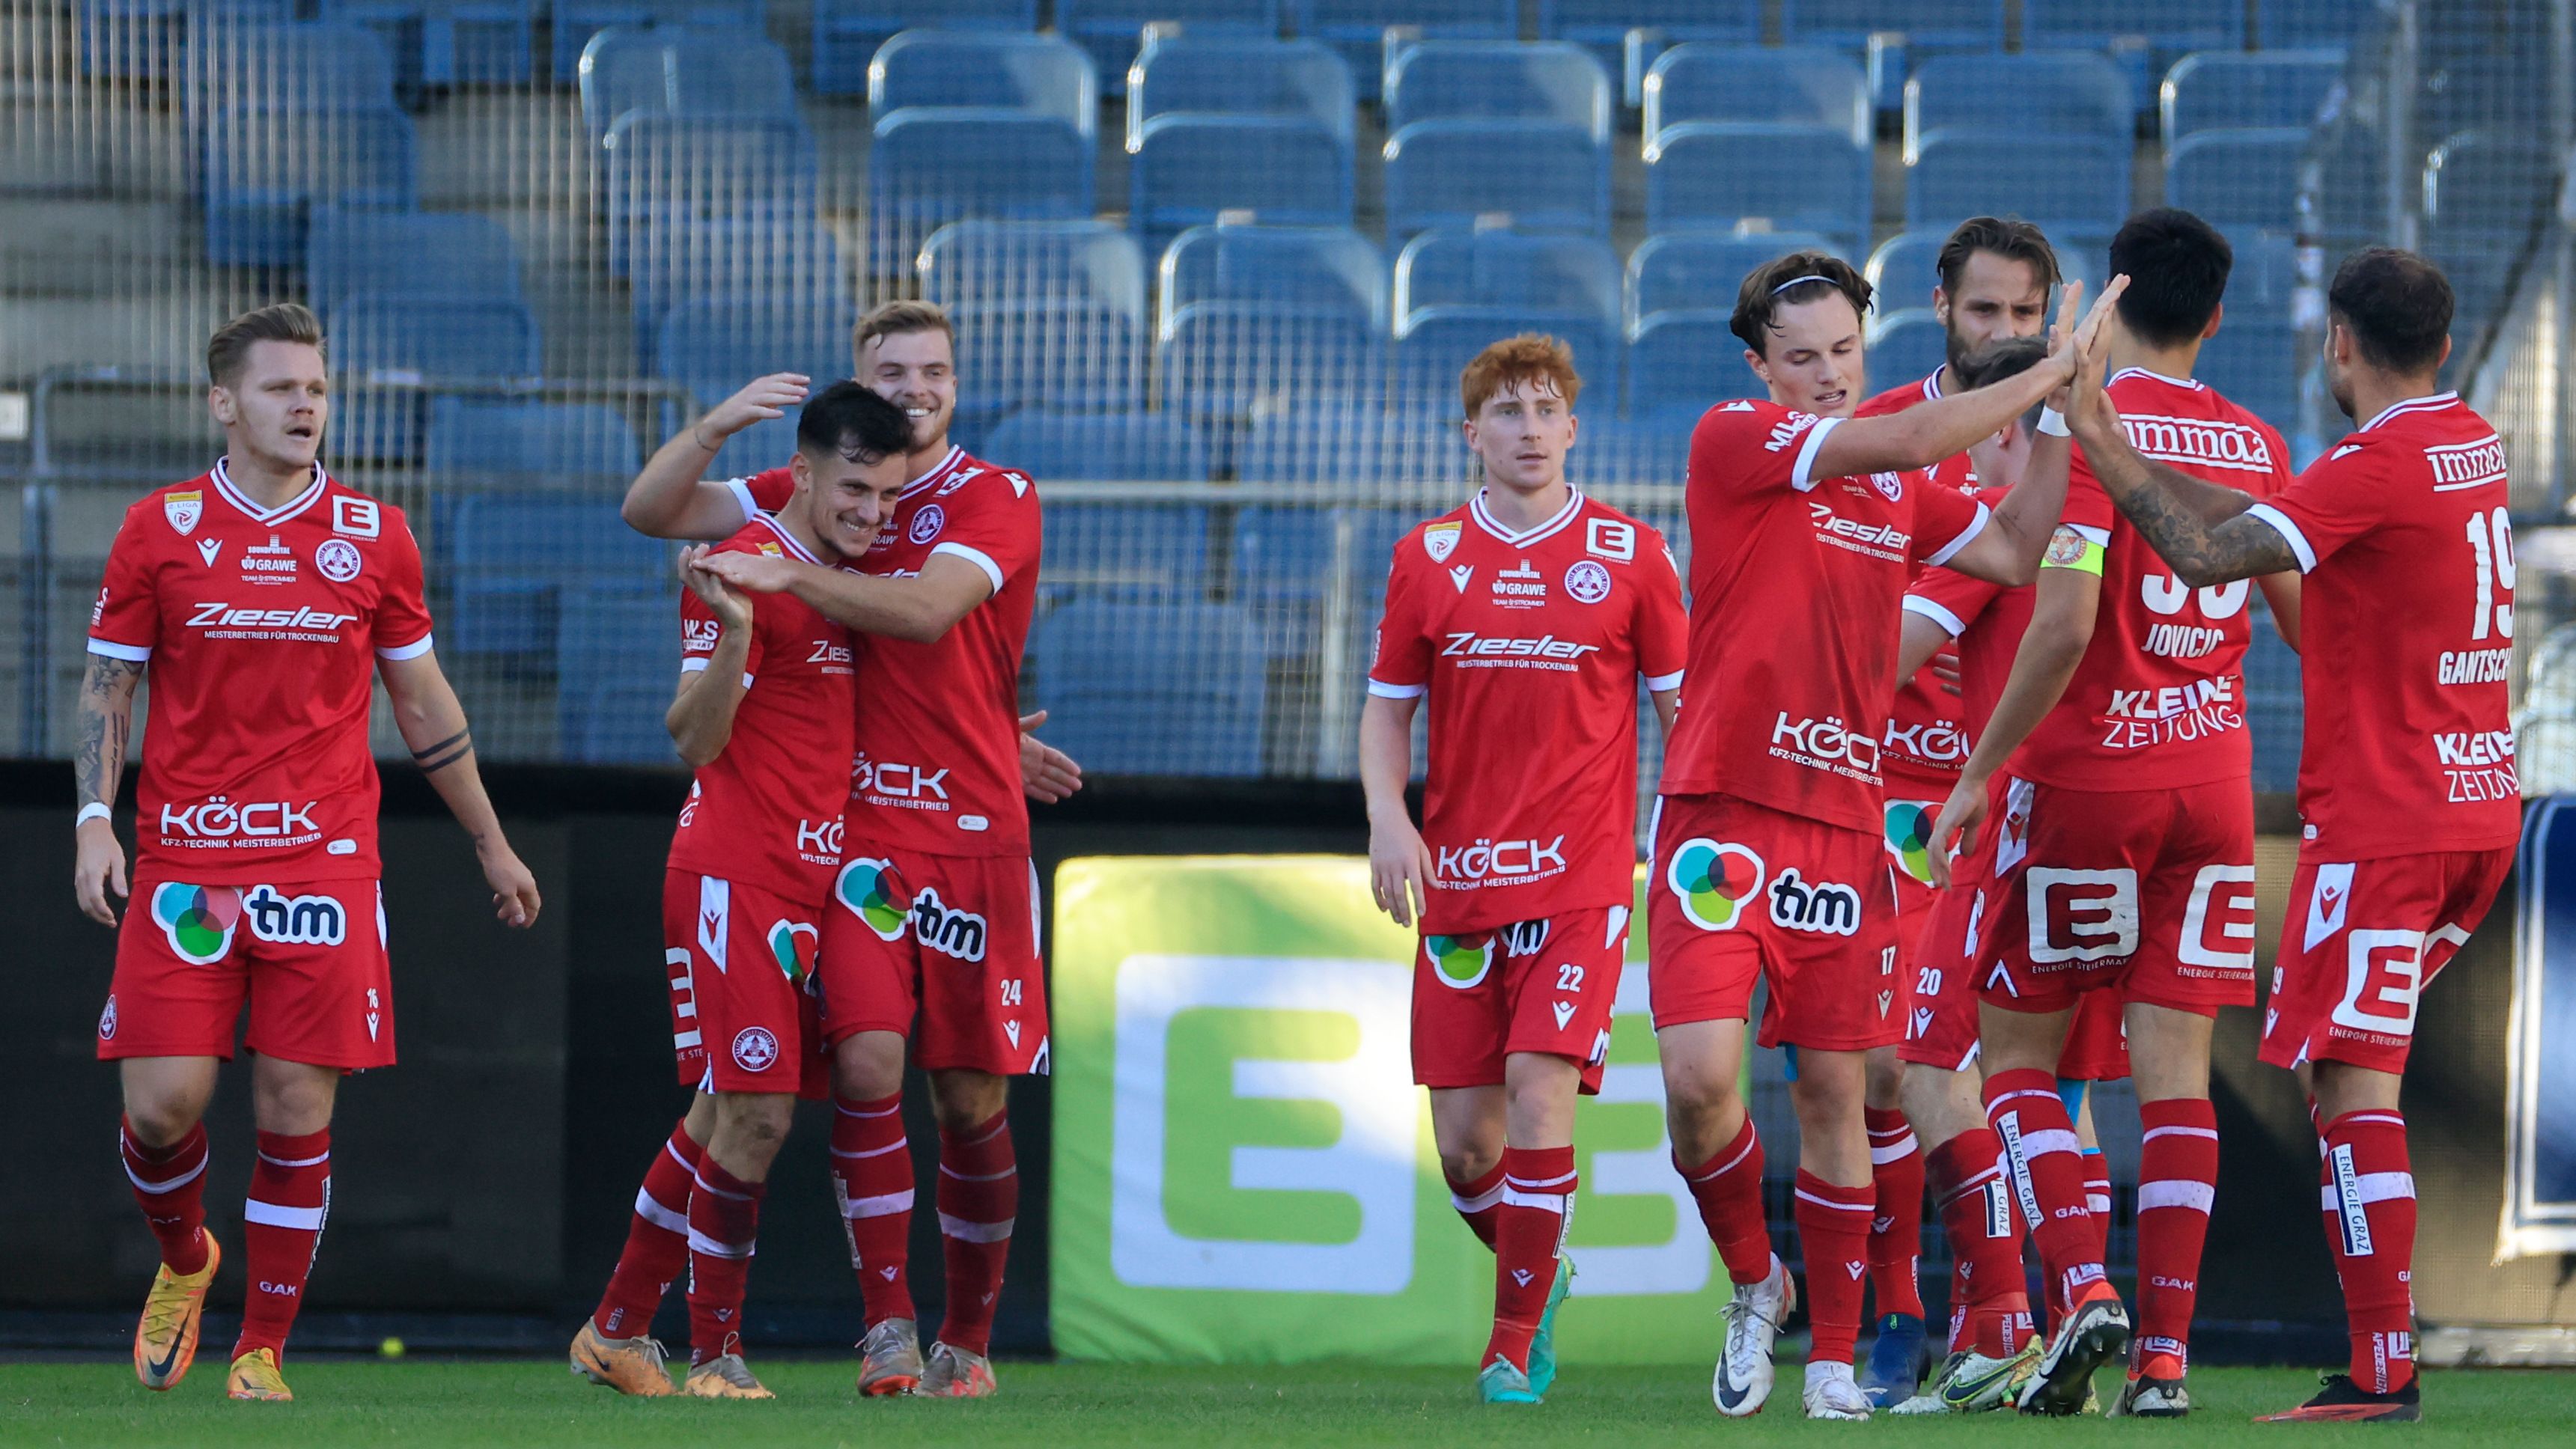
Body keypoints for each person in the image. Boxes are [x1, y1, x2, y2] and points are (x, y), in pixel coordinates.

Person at [1651, 250, 2122, 1419]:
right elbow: (1913, 441)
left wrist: (2061, 417)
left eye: (1841, 355)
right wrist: (2053, 363)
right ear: (1758, 367)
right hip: (1719, 813)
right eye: (1798, 358)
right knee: (1700, 1083)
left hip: (1839, 833)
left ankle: (1831, 1367)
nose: (1822, 376)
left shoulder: (1897, 496)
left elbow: (2016, 546)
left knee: (1838, 1090)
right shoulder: (1736, 440)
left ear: (1866, 350)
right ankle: (1757, 1284)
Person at [2059, 247, 2518, 1425]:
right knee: (2354, 1077)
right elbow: (2273, 524)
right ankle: (2380, 1366)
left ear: (2338, 345)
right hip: (2476, 807)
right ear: (2445, 345)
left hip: (2388, 822)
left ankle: (2381, 1374)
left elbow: (2208, 554)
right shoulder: (2467, 440)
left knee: (2349, 1085)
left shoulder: (2371, 463)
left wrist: (2098, 439)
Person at [77, 303, 542, 1402]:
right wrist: (94, 820)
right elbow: (109, 684)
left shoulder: (377, 534)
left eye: (318, 389)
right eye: (282, 388)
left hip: (322, 862)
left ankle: (261, 1351)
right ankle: (188, 1260)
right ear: (223, 403)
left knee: (296, 1106)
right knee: (161, 1108)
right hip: (187, 858)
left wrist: (491, 842)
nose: (305, 406)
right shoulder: (160, 527)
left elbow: (421, 701)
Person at [631, 300, 1059, 1398]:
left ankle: (969, 1342)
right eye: (891, 368)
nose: (914, 386)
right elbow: (656, 509)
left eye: (933, 370)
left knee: (971, 1099)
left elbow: (922, 617)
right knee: (864, 1065)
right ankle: (888, 1329)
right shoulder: (823, 481)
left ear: (957, 384)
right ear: (861, 382)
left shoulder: (994, 495)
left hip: (973, 833)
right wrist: (719, 426)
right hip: (856, 839)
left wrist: (786, 581)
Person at [1926, 210, 2300, 1418]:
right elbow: (2301, 618)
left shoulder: (2085, 419)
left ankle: (2083, 1286)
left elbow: (2064, 617)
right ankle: (2164, 1366)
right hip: (2214, 783)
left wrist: (1983, 768)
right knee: (2175, 1081)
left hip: (2087, 779)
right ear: (2217, 318)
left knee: (2017, 1057)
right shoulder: (2256, 438)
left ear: (2114, 290)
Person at [1359, 336, 1688, 1406]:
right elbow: (1385, 709)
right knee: (1464, 1151)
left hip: (1580, 879)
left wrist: (1678, 828)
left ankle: (1510, 1348)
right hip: (1458, 883)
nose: (1530, 429)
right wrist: (1386, 820)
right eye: (1507, 412)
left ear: (1573, 429)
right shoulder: (1427, 557)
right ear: (1472, 435)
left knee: (1540, 1091)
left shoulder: (1631, 554)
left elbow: (1682, 710)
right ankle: (1535, 1270)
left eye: (1547, 409)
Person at [570, 382, 913, 1399]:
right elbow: (693, 738)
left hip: (807, 880)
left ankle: (616, 1330)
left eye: (890, 496)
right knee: (756, 1116)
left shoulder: (837, 577)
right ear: (803, 474)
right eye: (857, 489)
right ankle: (716, 1354)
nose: (873, 513)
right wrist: (729, 635)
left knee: (723, 1111)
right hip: (734, 872)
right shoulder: (741, 568)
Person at [1883, 337, 2134, 1416]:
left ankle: (2004, 1325)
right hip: (2122, 816)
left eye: (1990, 428)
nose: (1975, 450)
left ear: (2014, 430)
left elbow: (1876, 661)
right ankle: (2092, 1323)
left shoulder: (2000, 540)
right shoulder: (2127, 494)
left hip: (2007, 823)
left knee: (1931, 1066)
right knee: (2058, 1099)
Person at [1849, 216, 2064, 1405]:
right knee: (1889, 1064)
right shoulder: (1884, 434)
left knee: (2033, 1076)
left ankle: (2027, 1315)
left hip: (2014, 791)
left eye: (2024, 316)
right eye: (1983, 312)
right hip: (1891, 790)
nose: (2003, 333)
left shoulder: (2067, 431)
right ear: (1939, 307)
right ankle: (1901, 1308)